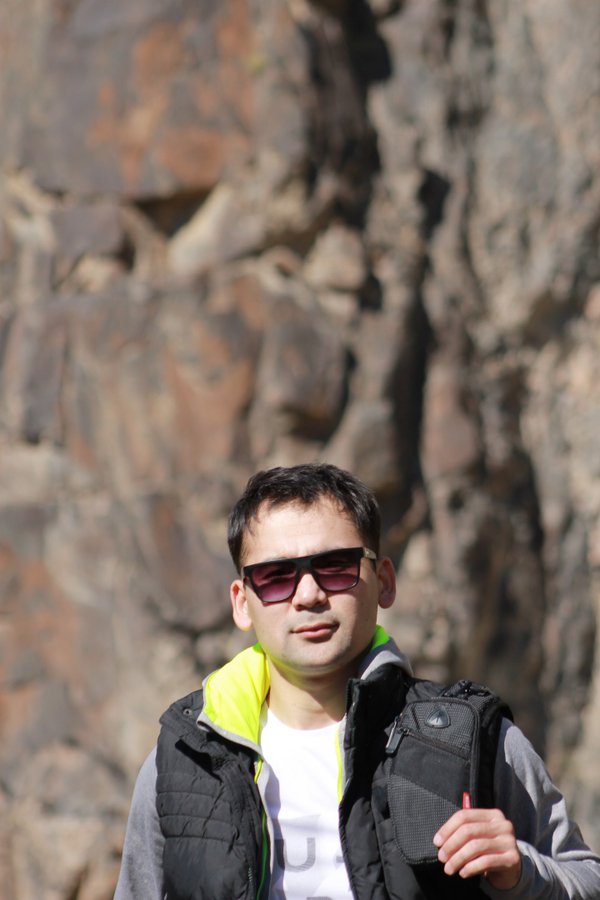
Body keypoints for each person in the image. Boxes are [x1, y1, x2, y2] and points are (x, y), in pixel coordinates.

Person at [114, 463, 600, 899]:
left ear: (384, 581)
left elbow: (586, 878)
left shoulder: (472, 738)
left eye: (335, 566)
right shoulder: (184, 759)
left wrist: (521, 873)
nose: (308, 594)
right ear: (242, 602)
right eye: (276, 576)